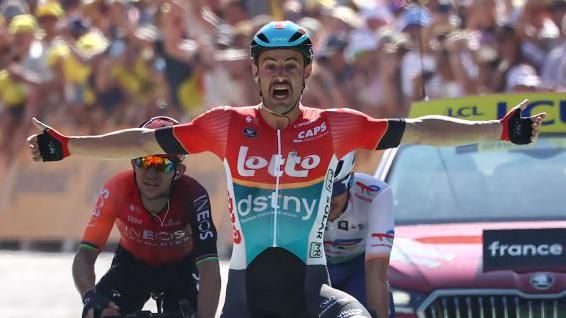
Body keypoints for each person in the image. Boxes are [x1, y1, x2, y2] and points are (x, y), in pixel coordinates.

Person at [28, 21, 544, 318]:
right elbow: (142, 140)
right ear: (254, 72)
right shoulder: (224, 125)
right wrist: (68, 146)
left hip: (311, 291)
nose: (279, 75)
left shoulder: (338, 127)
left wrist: (497, 130)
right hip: (247, 297)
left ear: (306, 74)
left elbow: (421, 129)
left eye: (290, 66)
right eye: (270, 65)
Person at [72, 116, 221, 318]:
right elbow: (85, 255)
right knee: (98, 313)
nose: (151, 174)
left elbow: (209, 268)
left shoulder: (194, 196)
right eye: (144, 162)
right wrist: (89, 297)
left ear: (178, 172)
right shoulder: (116, 190)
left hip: (182, 269)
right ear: (133, 164)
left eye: (162, 165)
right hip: (131, 265)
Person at [324, 152, 395, 318]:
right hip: (316, 268)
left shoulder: (377, 194)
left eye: (335, 191)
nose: (327, 201)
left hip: (359, 269)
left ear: (350, 181)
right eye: (321, 192)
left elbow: (376, 272)